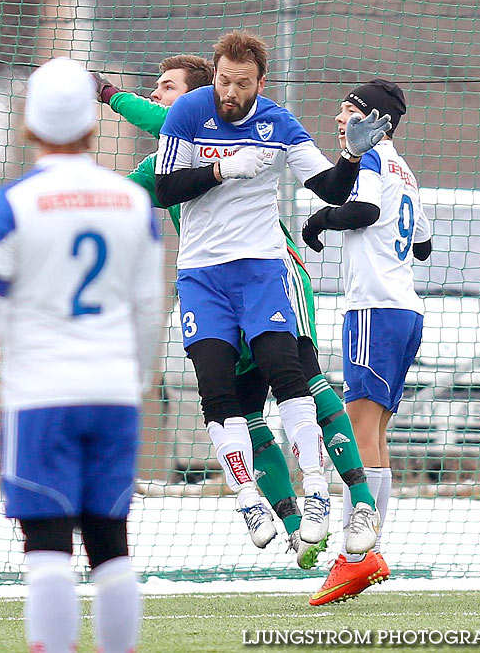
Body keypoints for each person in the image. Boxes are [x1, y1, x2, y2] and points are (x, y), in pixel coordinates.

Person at [96, 56, 379, 568]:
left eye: (167, 88)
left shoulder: (201, 116)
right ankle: (296, 528)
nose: (158, 97)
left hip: (272, 270)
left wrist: (108, 92)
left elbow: (146, 114)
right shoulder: (172, 143)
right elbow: (138, 189)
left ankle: (358, 503)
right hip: (210, 282)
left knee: (301, 379)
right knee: (241, 406)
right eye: (156, 90)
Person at [0, 57, 163, 653]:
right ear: (91, 126)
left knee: (46, 548)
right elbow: (150, 308)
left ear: (29, 125)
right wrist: (137, 380)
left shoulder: (11, 204)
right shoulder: (131, 201)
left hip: (41, 396)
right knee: (111, 547)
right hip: (113, 393)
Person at [301, 79, 431, 606]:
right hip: (406, 311)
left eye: (349, 111)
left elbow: (368, 213)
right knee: (374, 432)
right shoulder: (405, 167)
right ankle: (367, 549)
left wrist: (322, 218)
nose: (339, 119)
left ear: (374, 120)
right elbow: (421, 246)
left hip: (374, 310)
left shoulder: (375, 159)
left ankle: (358, 556)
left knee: (357, 428)